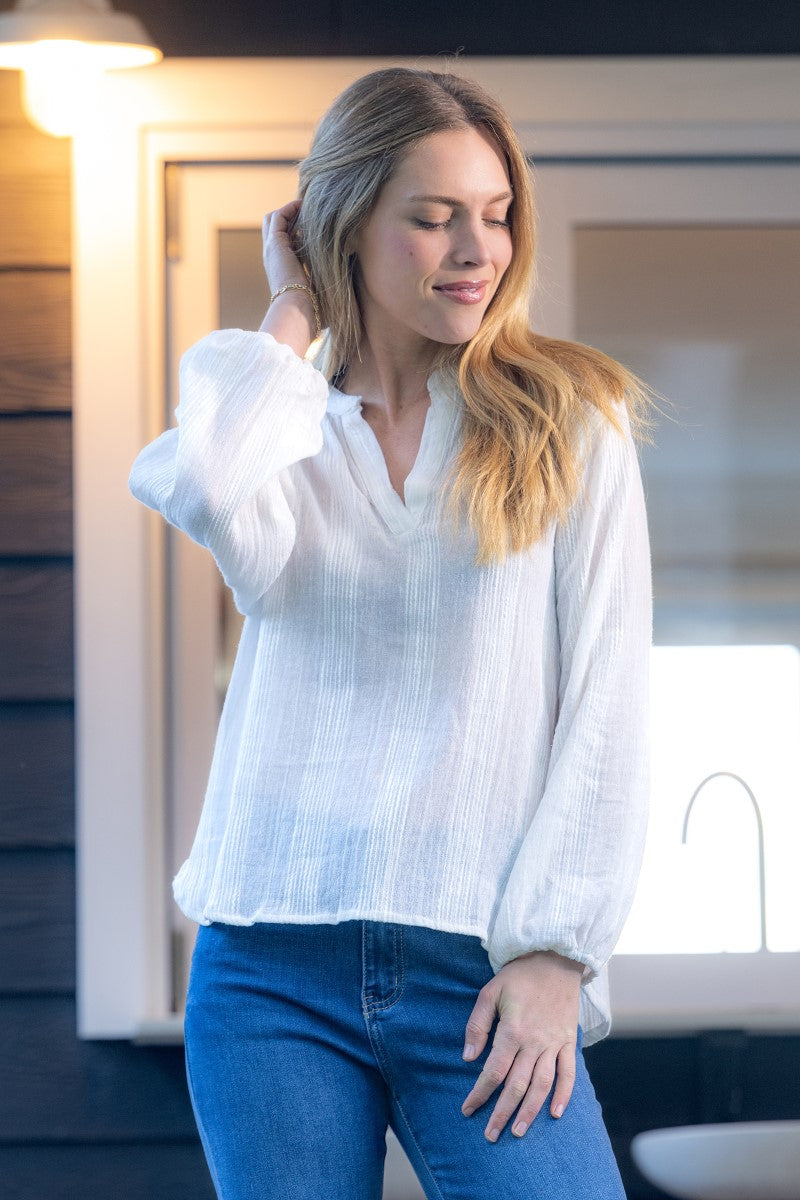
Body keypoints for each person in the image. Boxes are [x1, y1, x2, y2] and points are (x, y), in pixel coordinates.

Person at [129, 66, 655, 1200]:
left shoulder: (571, 422)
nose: (477, 250)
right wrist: (294, 305)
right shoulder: (281, 431)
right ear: (347, 227)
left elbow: (607, 706)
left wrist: (559, 952)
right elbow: (206, 481)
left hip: (480, 967)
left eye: (496, 215)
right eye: (433, 217)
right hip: (267, 965)